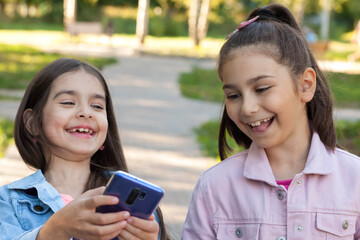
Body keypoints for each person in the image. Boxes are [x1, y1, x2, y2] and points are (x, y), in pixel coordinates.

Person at [182, 4, 360, 239]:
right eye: (233, 95)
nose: (247, 108)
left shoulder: (355, 179)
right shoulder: (214, 187)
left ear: (305, 85)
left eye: (262, 88)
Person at [0, 58, 168, 240]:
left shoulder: (134, 205)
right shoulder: (8, 201)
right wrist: (55, 229)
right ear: (32, 123)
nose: (86, 112)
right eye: (68, 102)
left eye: (97, 106)